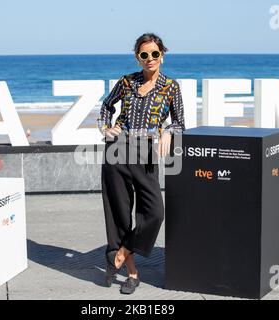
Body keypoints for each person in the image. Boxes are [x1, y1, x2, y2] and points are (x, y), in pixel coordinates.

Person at [97, 33, 185, 294]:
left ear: (162, 56)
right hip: (117, 151)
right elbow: (106, 105)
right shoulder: (127, 82)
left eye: (154, 54)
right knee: (119, 213)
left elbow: (180, 121)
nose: (150, 59)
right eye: (144, 55)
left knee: (155, 212)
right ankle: (132, 274)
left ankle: (119, 253)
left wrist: (167, 131)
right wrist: (105, 128)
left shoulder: (171, 87)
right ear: (138, 57)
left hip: (146, 153)